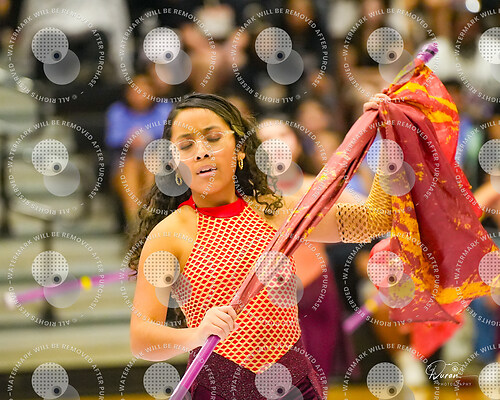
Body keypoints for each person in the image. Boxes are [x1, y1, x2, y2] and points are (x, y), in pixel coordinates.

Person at [128, 93, 392, 399]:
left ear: (240, 149)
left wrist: (386, 138)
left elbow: (376, 219)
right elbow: (141, 339)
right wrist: (196, 335)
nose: (201, 152)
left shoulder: (278, 211)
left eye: (213, 138)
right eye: (186, 145)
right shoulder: (168, 235)